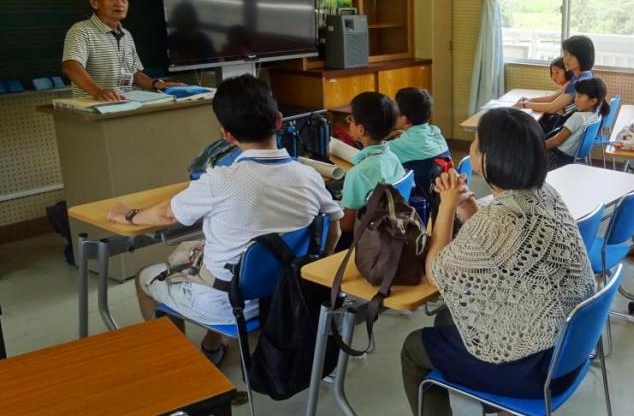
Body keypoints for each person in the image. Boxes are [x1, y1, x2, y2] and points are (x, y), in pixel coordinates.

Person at [400, 107, 596, 416]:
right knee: (447, 318)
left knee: (413, 349)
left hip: (534, 374)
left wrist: (447, 208)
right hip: (567, 357)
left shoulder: (500, 221)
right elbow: (497, 249)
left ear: (489, 158)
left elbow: (436, 272)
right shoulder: (545, 197)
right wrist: (471, 206)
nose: (470, 151)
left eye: (475, 145)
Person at [109, 75, 342, 364]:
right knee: (220, 255)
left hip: (229, 304)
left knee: (146, 277)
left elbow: (167, 214)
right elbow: (333, 224)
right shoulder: (308, 176)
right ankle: (211, 346)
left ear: (226, 135)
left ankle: (179, 366)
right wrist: (316, 273)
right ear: (279, 121)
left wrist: (129, 214)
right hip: (287, 296)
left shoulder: (219, 181)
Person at [62, 0, 183, 101]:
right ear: (94, 2)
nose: (119, 3)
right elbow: (71, 66)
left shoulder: (126, 35)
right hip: (95, 107)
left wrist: (157, 84)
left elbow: (134, 73)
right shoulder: (81, 31)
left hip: (127, 103)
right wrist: (98, 92)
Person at [339, 92, 407, 242]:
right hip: (393, 230)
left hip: (369, 242)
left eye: (350, 119)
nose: (348, 122)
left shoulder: (358, 173)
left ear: (361, 129)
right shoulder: (393, 157)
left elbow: (347, 226)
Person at [516, 35, 596, 116]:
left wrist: (525, 105)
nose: (566, 59)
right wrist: (529, 100)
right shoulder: (583, 76)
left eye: (571, 55)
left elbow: (552, 108)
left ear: (582, 57)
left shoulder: (581, 81)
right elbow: (552, 98)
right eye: (565, 54)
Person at [545, 77, 610, 170]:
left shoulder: (578, 117)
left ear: (593, 101)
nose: (576, 99)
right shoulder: (596, 115)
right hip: (571, 159)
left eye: (580, 96)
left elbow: (556, 141)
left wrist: (538, 146)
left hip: (557, 159)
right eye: (576, 95)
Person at [388, 87, 450, 165]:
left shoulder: (399, 145)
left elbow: (373, 150)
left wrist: (385, 136)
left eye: (395, 111)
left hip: (417, 177)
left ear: (404, 119)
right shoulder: (436, 132)